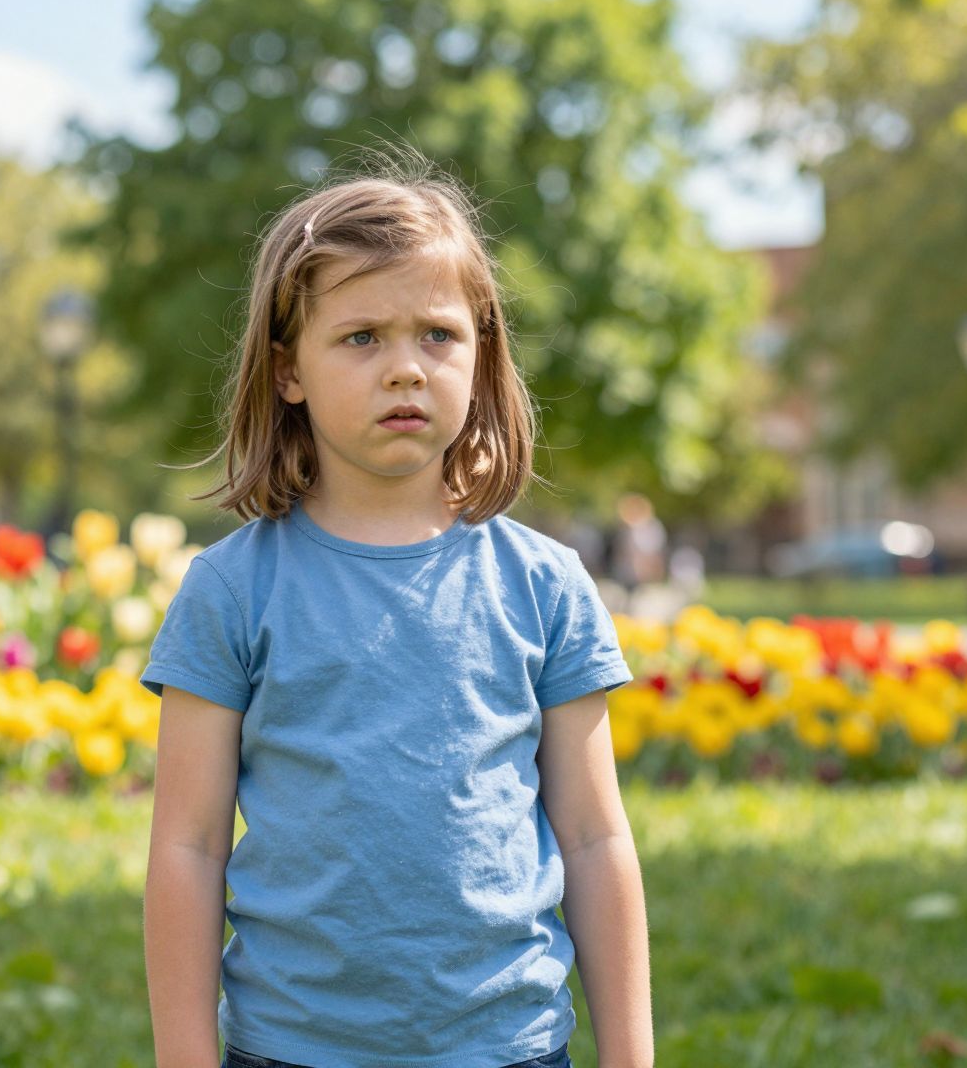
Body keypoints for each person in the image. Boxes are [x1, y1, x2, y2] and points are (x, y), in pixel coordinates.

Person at [141, 163, 655, 1068]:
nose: (406, 367)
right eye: (362, 336)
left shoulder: (546, 584)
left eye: (438, 335)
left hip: (511, 1047)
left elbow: (594, 834)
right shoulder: (231, 592)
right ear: (288, 371)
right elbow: (187, 847)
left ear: (480, 357)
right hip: (293, 1049)